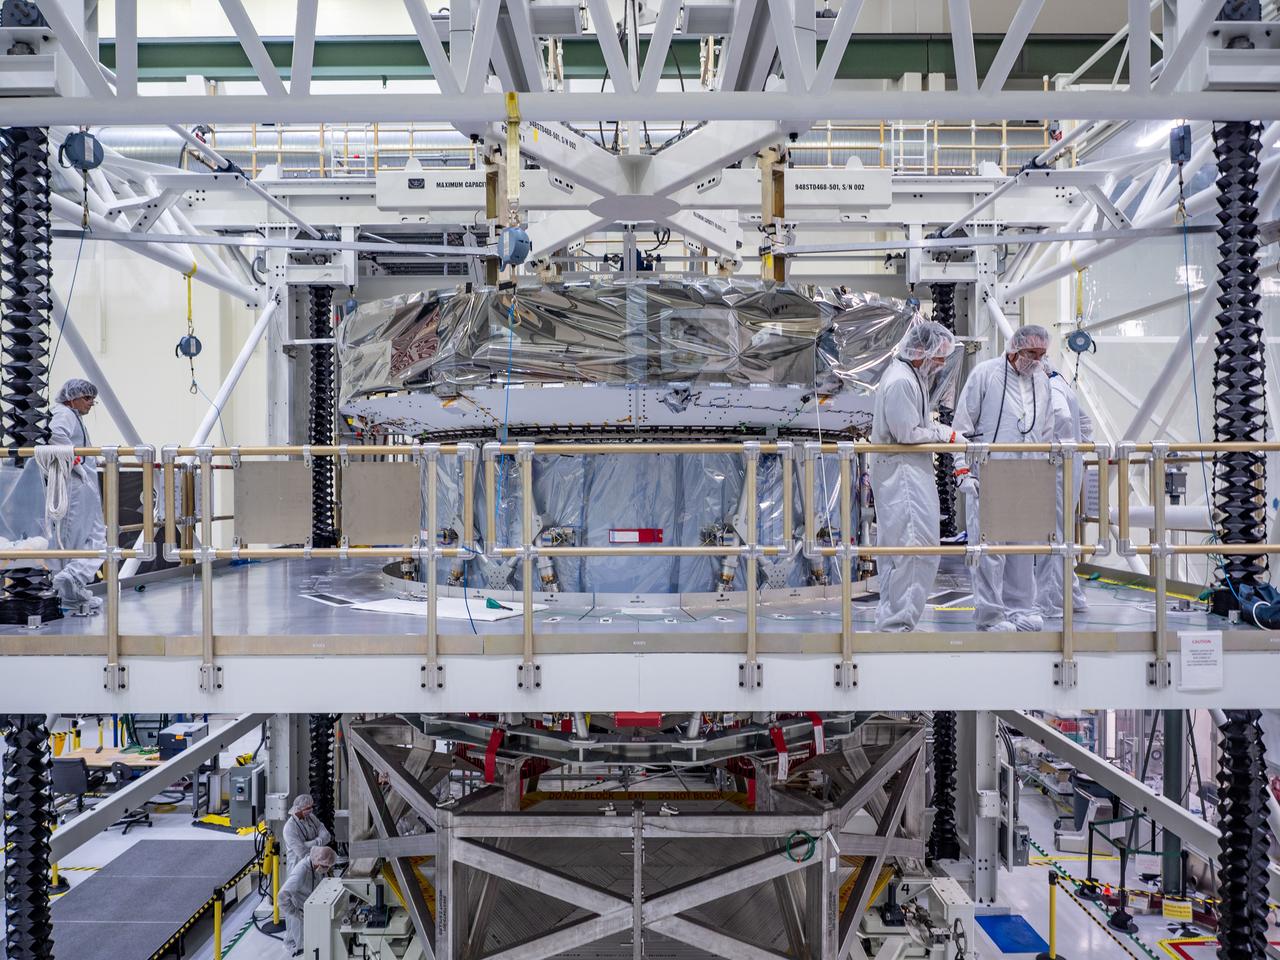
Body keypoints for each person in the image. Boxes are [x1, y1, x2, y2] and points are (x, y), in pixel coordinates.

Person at [951, 325, 1053, 631]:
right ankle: (991, 616)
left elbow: (1046, 429)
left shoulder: (1041, 381)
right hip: (991, 472)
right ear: (1014, 350)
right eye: (1032, 353)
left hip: (1029, 474)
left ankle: (1021, 609)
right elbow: (962, 425)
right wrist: (961, 469)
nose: (1037, 360)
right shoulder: (985, 374)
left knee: (1023, 549)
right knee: (990, 552)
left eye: (1042, 354)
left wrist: (1045, 469)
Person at [870, 321, 959, 631]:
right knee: (916, 549)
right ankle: (898, 624)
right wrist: (944, 435)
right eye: (939, 356)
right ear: (920, 350)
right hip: (903, 476)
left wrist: (939, 431)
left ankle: (892, 620)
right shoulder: (901, 381)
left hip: (906, 472)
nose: (941, 364)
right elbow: (907, 434)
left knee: (901, 552)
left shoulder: (910, 376)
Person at [1034, 362, 1094, 618]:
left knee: (1052, 536)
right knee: (1061, 535)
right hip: (1068, 468)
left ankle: (1050, 602)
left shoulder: (1050, 387)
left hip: (1057, 469)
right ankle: (1072, 596)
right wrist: (1077, 448)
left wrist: (1050, 449)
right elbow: (1085, 424)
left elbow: (1063, 418)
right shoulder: (1062, 384)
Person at [49, 379, 107, 611]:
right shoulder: (63, 414)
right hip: (74, 486)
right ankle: (70, 582)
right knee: (75, 538)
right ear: (71, 398)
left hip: (83, 485)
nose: (91, 403)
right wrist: (75, 463)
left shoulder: (73, 416)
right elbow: (55, 434)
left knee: (94, 535)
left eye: (93, 399)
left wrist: (88, 461)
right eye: (87, 398)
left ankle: (72, 585)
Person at [281, 845, 337, 956]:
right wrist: (296, 913)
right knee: (304, 948)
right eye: (326, 867)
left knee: (313, 944)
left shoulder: (315, 865)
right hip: (301, 914)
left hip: (311, 910)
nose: (327, 869)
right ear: (318, 863)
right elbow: (282, 897)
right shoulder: (301, 872)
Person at [282, 793, 332, 866]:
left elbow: (327, 836)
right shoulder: (289, 828)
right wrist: (319, 842)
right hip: (298, 865)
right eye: (308, 808)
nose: (311, 810)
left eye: (311, 807)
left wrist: (309, 844)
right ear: (298, 809)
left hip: (315, 864)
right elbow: (301, 852)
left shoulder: (311, 817)